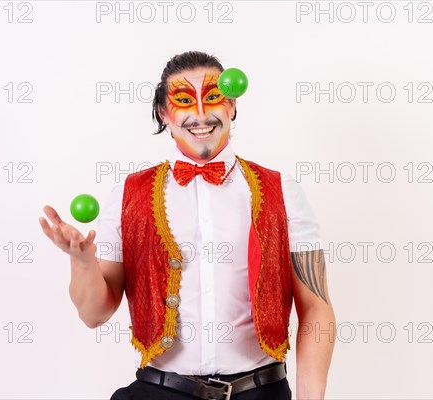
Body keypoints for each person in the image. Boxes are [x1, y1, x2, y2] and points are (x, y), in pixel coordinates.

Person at [39, 51, 336, 400]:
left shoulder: (282, 190)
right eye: (183, 100)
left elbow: (316, 307)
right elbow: (94, 315)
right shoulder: (129, 195)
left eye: (213, 97)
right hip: (160, 392)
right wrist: (82, 260)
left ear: (232, 105)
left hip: (261, 392)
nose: (199, 114)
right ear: (165, 113)